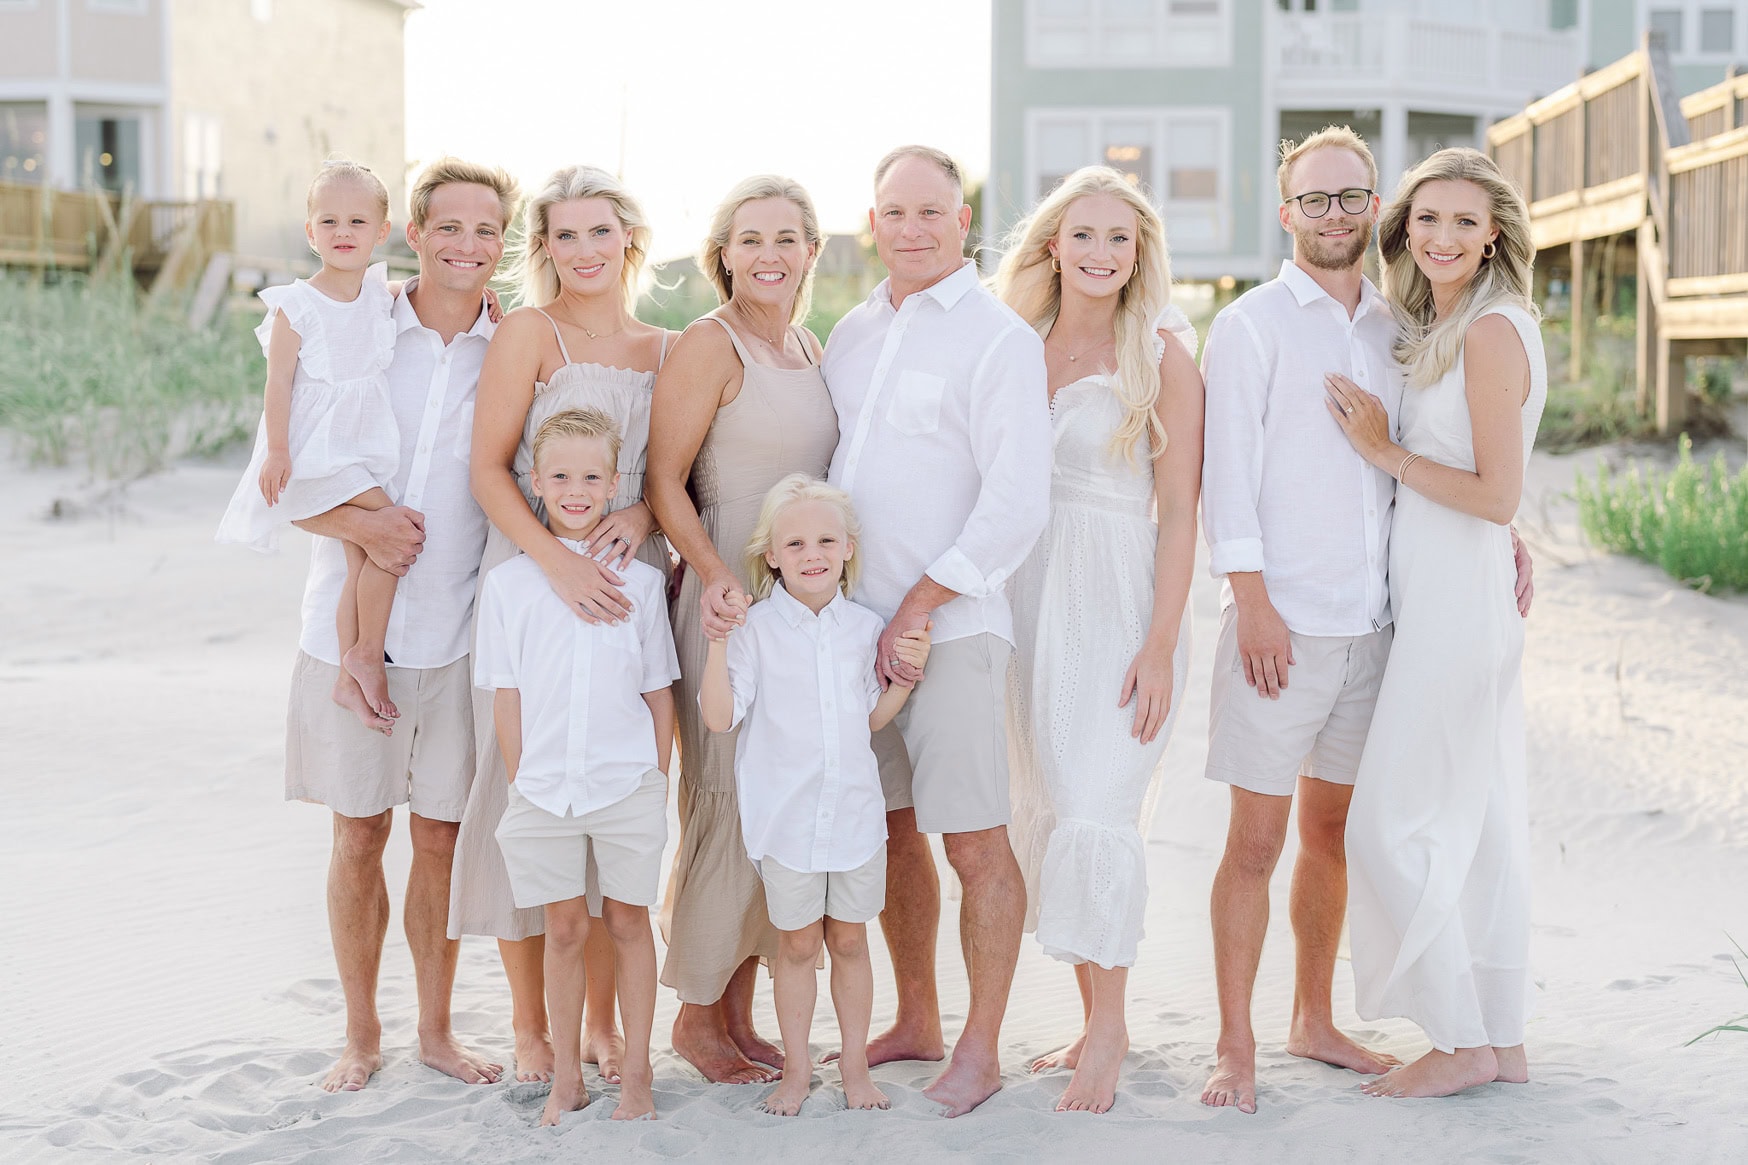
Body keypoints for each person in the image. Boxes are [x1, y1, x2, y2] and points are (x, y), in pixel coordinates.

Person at [1197, 126, 1534, 1115]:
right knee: (1252, 843)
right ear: (1284, 208)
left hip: (1381, 627)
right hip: (1281, 626)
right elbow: (1226, 479)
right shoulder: (1251, 325)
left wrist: (1500, 535)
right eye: (1315, 199)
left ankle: (1310, 1016)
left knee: (1335, 834)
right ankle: (1232, 1043)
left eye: (1351, 198)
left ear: (1369, 205)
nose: (1334, 215)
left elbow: (1448, 458)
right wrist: (1249, 600)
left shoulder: (1400, 328)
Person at [273, 156, 520, 1092]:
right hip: (345, 638)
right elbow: (282, 481)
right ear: (413, 234)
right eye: (448, 227)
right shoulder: (354, 326)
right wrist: (362, 523)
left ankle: (435, 1031)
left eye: (486, 230)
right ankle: (361, 1032)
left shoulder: (515, 345)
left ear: (505, 243)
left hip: (460, 636)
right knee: (359, 835)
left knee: (444, 843)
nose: (466, 245)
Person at [822, 145, 1051, 1117]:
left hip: (950, 631)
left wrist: (920, 604)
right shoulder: (849, 333)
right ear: (870, 222)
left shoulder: (998, 339)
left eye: (930, 212)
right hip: (850, 634)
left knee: (972, 841)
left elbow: (1016, 500)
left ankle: (980, 1048)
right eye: (892, 212)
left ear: (963, 222)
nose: (910, 229)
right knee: (889, 832)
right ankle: (915, 1016)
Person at [1323, 147, 1545, 1098]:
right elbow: (1497, 480)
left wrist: (1383, 450)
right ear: (1404, 227)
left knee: (1386, 820)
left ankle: (1458, 1041)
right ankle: (1501, 1033)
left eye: (1464, 221)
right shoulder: (1447, 319)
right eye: (1427, 219)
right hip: (1447, 588)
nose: (1444, 237)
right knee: (1480, 816)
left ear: (1494, 231)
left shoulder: (1493, 328)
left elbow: (1494, 493)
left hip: (1459, 598)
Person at [449, 164, 673, 1086]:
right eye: (564, 236)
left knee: (614, 795)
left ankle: (614, 1029)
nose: (583, 251)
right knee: (523, 790)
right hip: (535, 573)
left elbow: (670, 478)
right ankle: (534, 1025)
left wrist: (644, 523)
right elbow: (489, 469)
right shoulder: (530, 333)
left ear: (631, 241)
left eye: (599, 232)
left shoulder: (666, 345)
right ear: (543, 249)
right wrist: (557, 560)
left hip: (627, 582)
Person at [995, 166, 1205, 1114]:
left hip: (1121, 598)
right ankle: (1089, 1016)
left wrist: (1160, 643)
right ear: (1052, 244)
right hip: (1029, 599)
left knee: (1095, 803)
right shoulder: (1015, 345)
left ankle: (1111, 1028)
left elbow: (1180, 512)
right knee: (1049, 804)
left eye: (1119, 239)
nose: (1100, 253)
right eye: (1083, 234)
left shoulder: (1160, 352)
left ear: (1139, 253)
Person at [646, 175, 839, 1084]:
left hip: (797, 604)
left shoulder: (809, 344)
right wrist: (721, 580)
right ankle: (696, 1016)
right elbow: (662, 480)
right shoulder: (706, 344)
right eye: (749, 238)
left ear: (812, 251)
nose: (768, 254)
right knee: (721, 794)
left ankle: (739, 1013)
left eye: (786, 238)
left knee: (778, 800)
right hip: (726, 596)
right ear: (722, 251)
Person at [699, 475, 931, 1116]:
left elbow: (872, 720)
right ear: (771, 553)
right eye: (795, 542)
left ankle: (854, 1067)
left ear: (849, 547)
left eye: (826, 539)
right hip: (787, 819)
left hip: (854, 817)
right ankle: (798, 1071)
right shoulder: (755, 629)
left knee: (851, 940)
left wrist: (907, 678)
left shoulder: (865, 628)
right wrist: (717, 643)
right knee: (798, 945)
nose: (813, 553)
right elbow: (720, 718)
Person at [475, 407, 680, 1124]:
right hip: (543, 789)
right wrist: (520, 779)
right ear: (534, 479)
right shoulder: (508, 587)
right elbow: (508, 697)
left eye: (592, 476)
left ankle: (640, 1074)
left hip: (627, 783)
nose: (575, 488)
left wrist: (655, 782)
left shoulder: (643, 586)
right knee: (562, 927)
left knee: (628, 921)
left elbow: (659, 694)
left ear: (614, 482)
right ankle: (566, 1074)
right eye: (559, 474)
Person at [218, 159, 404, 731]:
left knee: (362, 560)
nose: (343, 232)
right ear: (310, 232)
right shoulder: (295, 306)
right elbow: (278, 383)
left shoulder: (378, 292)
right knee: (393, 542)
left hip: (361, 446)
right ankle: (367, 656)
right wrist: (278, 451)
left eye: (356, 221)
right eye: (329, 221)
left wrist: (489, 300)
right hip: (319, 450)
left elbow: (411, 288)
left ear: (381, 230)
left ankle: (350, 676)